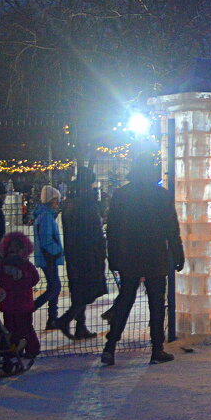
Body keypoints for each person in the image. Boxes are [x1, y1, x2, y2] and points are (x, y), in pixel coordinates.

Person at [101, 153, 184, 366]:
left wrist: (114, 257)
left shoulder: (121, 195)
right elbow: (171, 227)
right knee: (157, 304)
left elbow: (113, 229)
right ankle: (157, 349)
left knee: (124, 301)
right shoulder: (161, 195)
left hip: (129, 255)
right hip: (155, 255)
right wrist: (177, 252)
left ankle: (110, 348)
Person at [56, 169, 107, 340]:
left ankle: (80, 325)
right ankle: (67, 319)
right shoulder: (87, 204)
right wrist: (100, 249)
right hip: (88, 253)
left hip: (74, 253)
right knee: (88, 289)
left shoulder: (70, 204)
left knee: (80, 290)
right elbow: (95, 231)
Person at [0, 231, 40, 359]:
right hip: (8, 303)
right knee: (10, 329)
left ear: (23, 250)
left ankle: (32, 349)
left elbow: (35, 279)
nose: (13, 250)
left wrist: (22, 276)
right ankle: (15, 349)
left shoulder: (26, 265)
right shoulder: (2, 265)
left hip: (23, 303)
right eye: (10, 248)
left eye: (16, 248)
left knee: (25, 328)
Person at [31, 186, 64, 330]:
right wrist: (58, 251)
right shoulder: (46, 216)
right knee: (55, 287)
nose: (58, 203)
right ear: (51, 200)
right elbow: (46, 240)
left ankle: (53, 318)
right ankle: (31, 308)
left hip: (47, 257)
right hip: (48, 257)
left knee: (54, 287)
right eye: (56, 200)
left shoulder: (46, 215)